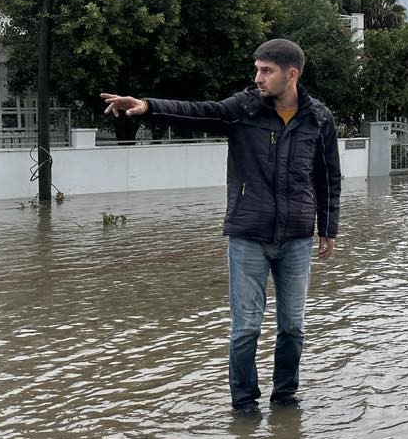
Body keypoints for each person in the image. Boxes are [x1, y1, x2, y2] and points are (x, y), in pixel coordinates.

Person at [101, 39, 341, 416]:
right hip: (248, 235)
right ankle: (245, 406)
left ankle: (285, 399)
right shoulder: (243, 108)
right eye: (257, 69)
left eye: (267, 70)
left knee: (293, 328)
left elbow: (328, 177)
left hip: (297, 238)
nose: (258, 77)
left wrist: (328, 228)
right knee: (246, 328)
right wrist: (148, 106)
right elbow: (197, 113)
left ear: (291, 74)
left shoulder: (319, 118)